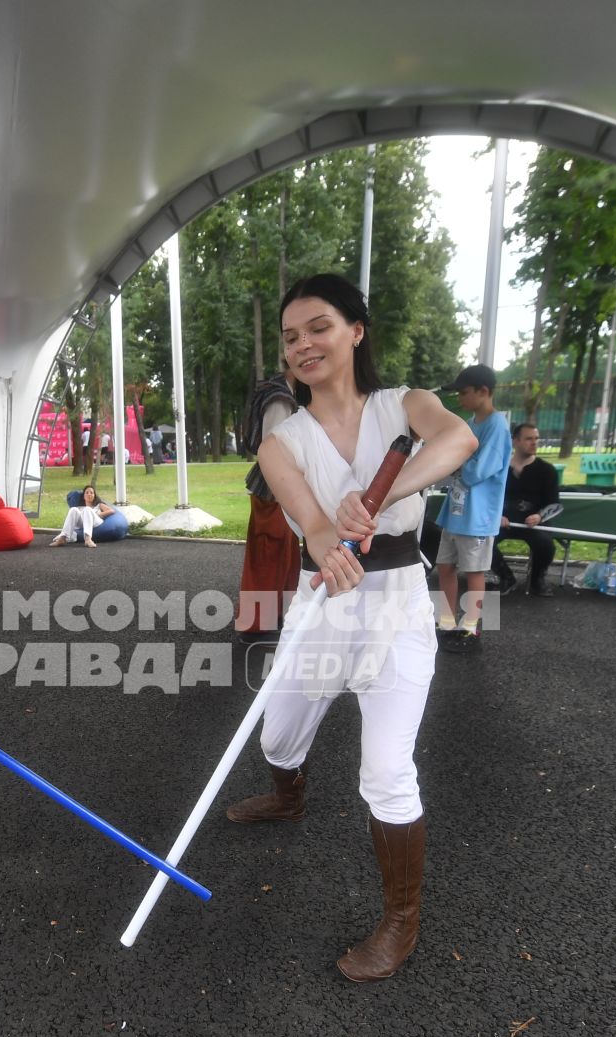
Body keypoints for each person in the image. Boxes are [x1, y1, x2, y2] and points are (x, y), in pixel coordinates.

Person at [223, 274, 476, 982]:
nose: (303, 344)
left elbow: (458, 439)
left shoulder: (408, 404)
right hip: (323, 604)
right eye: (290, 335)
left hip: (398, 607)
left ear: (356, 331)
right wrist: (331, 536)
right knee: (275, 736)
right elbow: (311, 525)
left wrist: (384, 491)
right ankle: (288, 794)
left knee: (389, 773)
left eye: (319, 327)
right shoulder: (283, 441)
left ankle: (402, 918)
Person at [431, 364, 512, 652]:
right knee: (444, 565)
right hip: (456, 511)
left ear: (484, 392)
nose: (461, 399)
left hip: (478, 515)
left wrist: (451, 463)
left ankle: (470, 627)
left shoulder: (497, 426)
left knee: (475, 571)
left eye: (464, 393)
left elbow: (479, 471)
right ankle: (447, 621)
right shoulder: (472, 424)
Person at [234, 375, 304, 640]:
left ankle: (273, 617)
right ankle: (256, 624)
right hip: (274, 488)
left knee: (282, 554)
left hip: (276, 487)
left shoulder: (275, 392)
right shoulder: (280, 399)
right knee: (269, 554)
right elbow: (272, 448)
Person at [491, 422, 561, 596]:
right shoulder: (499, 469)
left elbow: (553, 503)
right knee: (482, 541)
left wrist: (539, 516)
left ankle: (537, 579)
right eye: (529, 438)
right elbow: (488, 497)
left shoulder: (547, 471)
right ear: (515, 441)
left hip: (533, 525)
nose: (534, 442)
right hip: (502, 522)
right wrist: (497, 516)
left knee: (545, 545)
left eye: (536, 439)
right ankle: (506, 577)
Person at [50, 483, 113, 547]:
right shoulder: (80, 507)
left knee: (87, 509)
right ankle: (62, 538)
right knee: (73, 509)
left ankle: (88, 539)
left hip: (96, 521)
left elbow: (111, 511)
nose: (89, 494)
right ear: (83, 496)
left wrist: (98, 514)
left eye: (91, 493)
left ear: (94, 496)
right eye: (87, 493)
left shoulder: (98, 505)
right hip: (84, 522)